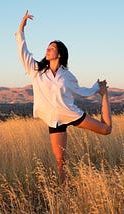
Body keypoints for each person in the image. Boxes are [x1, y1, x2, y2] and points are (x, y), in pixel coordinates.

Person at [15, 10, 112, 184]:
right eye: (48, 47)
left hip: (69, 113)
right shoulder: (37, 70)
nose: (48, 49)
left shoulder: (67, 75)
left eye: (52, 48)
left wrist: (97, 89)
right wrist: (21, 28)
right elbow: (23, 52)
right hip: (53, 119)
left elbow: (80, 91)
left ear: (59, 54)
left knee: (106, 130)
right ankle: (64, 192)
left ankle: (106, 96)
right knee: (61, 161)